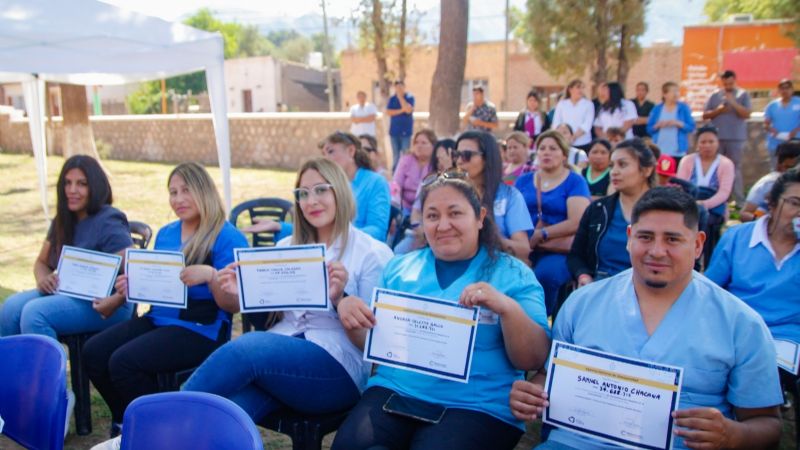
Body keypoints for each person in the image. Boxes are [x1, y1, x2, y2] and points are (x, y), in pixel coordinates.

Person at [511, 187, 783, 450]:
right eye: (645, 237)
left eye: (672, 239)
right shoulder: (582, 304)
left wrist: (732, 435)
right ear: (630, 237)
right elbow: (549, 376)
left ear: (698, 244)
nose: (656, 251)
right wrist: (532, 393)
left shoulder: (740, 323)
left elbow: (766, 423)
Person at [331, 175, 551, 450]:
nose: (443, 225)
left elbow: (533, 358)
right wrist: (349, 312)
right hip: (396, 390)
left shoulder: (514, 274)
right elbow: (376, 342)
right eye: (432, 215)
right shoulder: (400, 268)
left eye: (455, 213)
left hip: (476, 405)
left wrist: (507, 309)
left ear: (480, 217)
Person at [181, 158, 393, 423]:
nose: (311, 200)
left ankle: (157, 425)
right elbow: (264, 316)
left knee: (246, 347)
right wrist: (245, 293)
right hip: (281, 356)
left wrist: (340, 299)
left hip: (337, 370)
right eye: (303, 193)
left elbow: (376, 344)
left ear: (340, 190)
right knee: (228, 414)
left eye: (321, 189)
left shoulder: (371, 253)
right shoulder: (285, 246)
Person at [83, 162, 248, 436]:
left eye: (186, 190)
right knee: (94, 352)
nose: (178, 199)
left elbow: (234, 305)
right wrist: (130, 287)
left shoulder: (226, 236)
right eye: (172, 192)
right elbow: (156, 285)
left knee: (123, 362)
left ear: (204, 191)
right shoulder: (167, 233)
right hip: (158, 319)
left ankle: (161, 431)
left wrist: (211, 275)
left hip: (201, 330)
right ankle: (129, 421)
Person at [0, 155, 134, 340]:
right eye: (67, 183)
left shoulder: (108, 220)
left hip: (108, 302)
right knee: (10, 308)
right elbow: (42, 262)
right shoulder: (63, 219)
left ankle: (50, 368)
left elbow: (134, 270)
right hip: (69, 293)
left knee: (35, 313)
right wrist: (44, 278)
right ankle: (15, 368)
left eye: (81, 184)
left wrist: (117, 299)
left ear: (95, 186)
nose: (72, 190)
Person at [706, 168, 800, 394]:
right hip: (737, 331)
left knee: (766, 376)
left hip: (789, 339)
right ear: (773, 204)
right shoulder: (737, 238)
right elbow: (709, 290)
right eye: (795, 203)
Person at [515, 130, 591, 314]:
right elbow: (513, 213)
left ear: (564, 155)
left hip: (557, 248)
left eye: (553, 149)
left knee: (545, 276)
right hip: (523, 245)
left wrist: (541, 234)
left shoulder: (575, 181)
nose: (546, 152)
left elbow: (577, 221)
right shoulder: (524, 180)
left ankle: (537, 321)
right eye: (542, 148)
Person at [569, 138, 656, 286]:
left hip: (650, 288)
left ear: (647, 170)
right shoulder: (597, 209)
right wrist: (583, 276)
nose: (614, 172)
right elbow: (576, 256)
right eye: (612, 165)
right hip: (602, 286)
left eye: (622, 165)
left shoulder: (666, 211)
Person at [457, 131, 534, 263]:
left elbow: (523, 249)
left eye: (467, 155)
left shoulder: (509, 196)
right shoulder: (451, 194)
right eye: (456, 155)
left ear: (487, 158)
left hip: (497, 267)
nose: (459, 161)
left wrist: (487, 238)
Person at [676, 125, 734, 265]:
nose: (707, 145)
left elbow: (724, 192)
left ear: (717, 143)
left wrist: (704, 204)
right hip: (689, 205)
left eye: (711, 142)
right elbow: (680, 186)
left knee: (708, 227)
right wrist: (692, 204)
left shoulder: (726, 164)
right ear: (697, 144)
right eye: (703, 142)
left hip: (714, 208)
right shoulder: (688, 161)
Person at [702, 70, 752, 206]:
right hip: (717, 139)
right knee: (716, 168)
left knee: (735, 168)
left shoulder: (743, 94)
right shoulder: (715, 95)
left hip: (736, 138)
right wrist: (718, 110)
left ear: (734, 80)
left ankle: (739, 202)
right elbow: (705, 115)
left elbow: (747, 114)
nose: (728, 85)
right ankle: (718, 200)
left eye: (730, 82)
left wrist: (733, 102)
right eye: (725, 83)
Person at [741, 141, 800, 222]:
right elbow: (744, 214)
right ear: (780, 166)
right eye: (792, 168)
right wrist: (767, 222)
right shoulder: (769, 184)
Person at [647, 81, 696, 160]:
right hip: (660, 150)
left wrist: (678, 123)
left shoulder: (683, 108)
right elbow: (649, 129)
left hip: (678, 151)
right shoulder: (657, 109)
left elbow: (691, 127)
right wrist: (657, 125)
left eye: (677, 91)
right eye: (673, 91)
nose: (676, 94)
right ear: (664, 94)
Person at [393, 129, 436, 216]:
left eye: (424, 143)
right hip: (403, 207)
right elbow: (396, 185)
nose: (419, 146)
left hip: (427, 209)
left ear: (433, 146)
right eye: (416, 142)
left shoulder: (436, 164)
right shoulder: (406, 160)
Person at [764, 78, 800, 168]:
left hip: (795, 143)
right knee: (776, 171)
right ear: (779, 90)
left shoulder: (798, 103)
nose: (785, 90)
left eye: (787, 88)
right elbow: (766, 123)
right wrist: (771, 129)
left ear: (792, 89)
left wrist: (795, 131)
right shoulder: (772, 106)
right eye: (782, 88)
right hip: (776, 143)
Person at [552, 79, 595, 151]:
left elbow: (587, 124)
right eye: (578, 87)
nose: (581, 90)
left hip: (583, 142)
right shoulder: (562, 104)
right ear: (570, 89)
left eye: (582, 87)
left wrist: (574, 137)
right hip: (564, 142)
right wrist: (564, 137)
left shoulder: (588, 104)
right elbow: (556, 122)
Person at [386, 80, 415, 171]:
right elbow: (389, 112)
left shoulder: (409, 97)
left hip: (406, 132)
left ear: (404, 87)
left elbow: (408, 110)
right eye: (397, 87)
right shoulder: (392, 99)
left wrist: (400, 98)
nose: (398, 89)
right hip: (394, 132)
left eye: (400, 87)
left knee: (405, 154)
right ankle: (395, 173)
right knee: (396, 155)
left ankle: (405, 171)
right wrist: (402, 110)